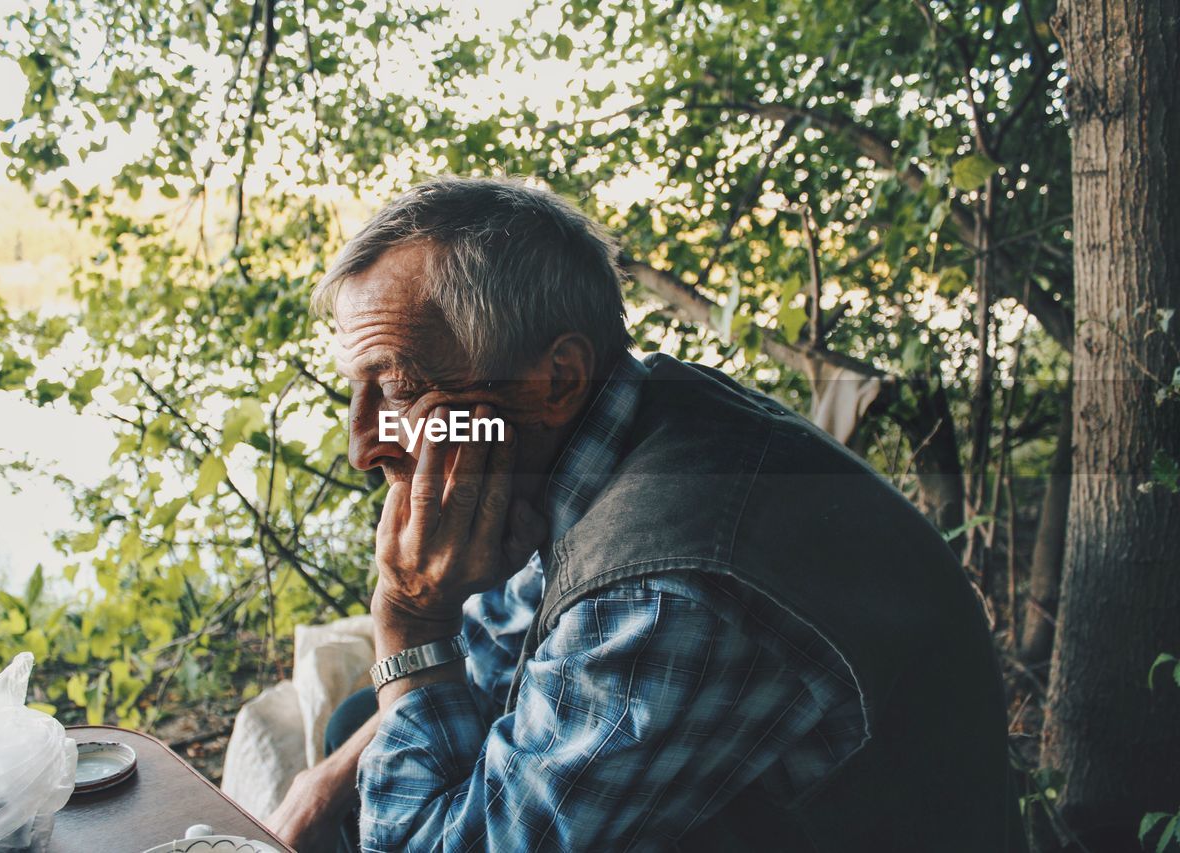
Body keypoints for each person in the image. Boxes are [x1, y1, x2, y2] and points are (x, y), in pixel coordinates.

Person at [268, 177, 1023, 852]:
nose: (361, 446)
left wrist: (408, 619)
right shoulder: (618, 415)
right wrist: (327, 778)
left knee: (391, 740)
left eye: (398, 390)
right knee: (356, 734)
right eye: (356, 393)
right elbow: (501, 645)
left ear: (554, 377)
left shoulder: (665, 590)